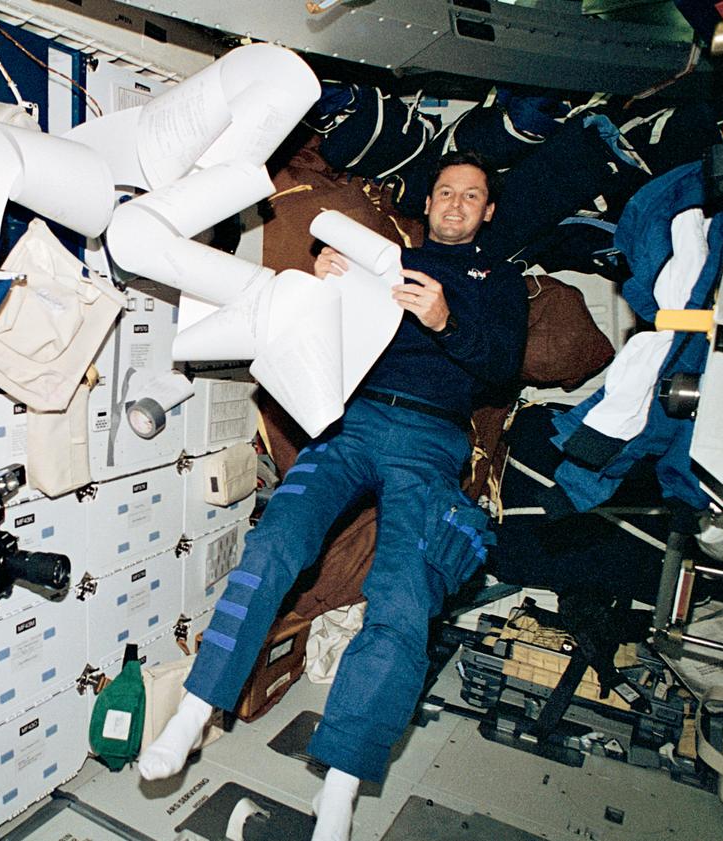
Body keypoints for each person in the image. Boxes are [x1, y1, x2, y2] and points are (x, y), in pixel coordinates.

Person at [137, 150, 528, 841]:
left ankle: (342, 786)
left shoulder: (498, 283)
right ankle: (197, 706)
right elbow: (316, 338)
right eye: (446, 192)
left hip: (431, 441)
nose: (456, 204)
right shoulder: (386, 257)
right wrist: (320, 290)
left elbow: (500, 370)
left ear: (487, 211)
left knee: (405, 599)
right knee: (274, 543)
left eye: (472, 196)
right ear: (429, 202)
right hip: (352, 422)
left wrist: (446, 323)